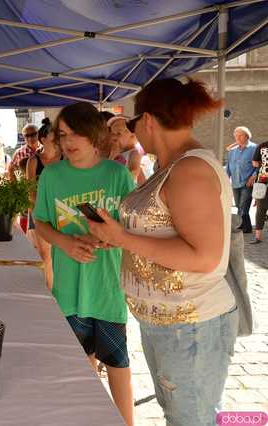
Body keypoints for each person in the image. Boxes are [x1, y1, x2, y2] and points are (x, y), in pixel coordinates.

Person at [87, 78, 238, 426]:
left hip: (190, 325)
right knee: (180, 415)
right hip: (169, 323)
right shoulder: (171, 167)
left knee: (190, 419)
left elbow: (204, 257)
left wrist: (124, 238)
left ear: (149, 120)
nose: (134, 132)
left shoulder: (191, 171)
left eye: (133, 124)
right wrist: (119, 237)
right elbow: (160, 232)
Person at [33, 103, 135, 426]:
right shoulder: (52, 175)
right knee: (81, 367)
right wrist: (65, 242)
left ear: (94, 134)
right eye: (63, 135)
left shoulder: (117, 175)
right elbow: (41, 223)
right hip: (69, 291)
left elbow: (132, 230)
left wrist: (111, 239)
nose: (68, 141)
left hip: (108, 290)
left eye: (76, 133)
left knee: (118, 366)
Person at [26, 118, 62, 290]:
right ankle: (50, 290)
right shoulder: (34, 161)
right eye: (53, 134)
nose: (57, 137)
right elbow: (29, 190)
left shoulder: (65, 159)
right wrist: (41, 207)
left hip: (63, 211)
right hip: (41, 211)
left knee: (61, 253)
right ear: (43, 139)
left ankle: (60, 288)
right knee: (45, 253)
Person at [226, 126, 257, 233]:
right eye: (236, 136)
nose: (237, 138)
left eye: (240, 135)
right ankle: (247, 227)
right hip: (235, 182)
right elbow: (229, 166)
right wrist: (226, 179)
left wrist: (253, 176)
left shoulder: (254, 148)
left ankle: (238, 227)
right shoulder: (232, 151)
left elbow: (260, 166)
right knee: (239, 206)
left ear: (247, 136)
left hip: (247, 183)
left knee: (243, 206)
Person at [107, 115, 146, 185]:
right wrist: (112, 156)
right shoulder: (116, 153)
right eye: (112, 133)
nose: (114, 137)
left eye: (118, 133)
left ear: (133, 135)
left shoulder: (134, 152)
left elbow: (134, 172)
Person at [251, 139, 268, 244]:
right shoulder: (261, 146)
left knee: (260, 210)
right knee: (261, 209)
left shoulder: (262, 146)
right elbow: (254, 163)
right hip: (262, 182)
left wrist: (263, 164)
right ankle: (257, 237)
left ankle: (258, 237)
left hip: (262, 180)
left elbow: (255, 163)